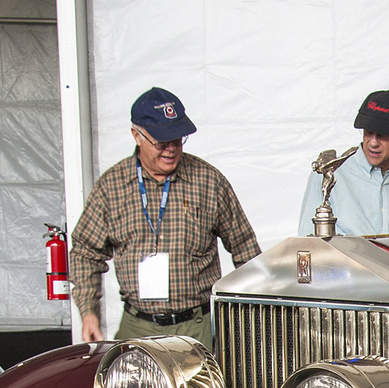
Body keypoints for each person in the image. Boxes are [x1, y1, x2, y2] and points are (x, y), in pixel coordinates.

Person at [71, 87, 261, 346]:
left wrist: (254, 318)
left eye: (178, 139)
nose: (171, 149)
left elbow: (245, 249)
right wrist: (88, 312)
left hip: (197, 326)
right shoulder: (111, 186)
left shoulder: (208, 181)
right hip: (136, 326)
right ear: (136, 136)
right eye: (161, 141)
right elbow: (85, 253)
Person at [297, 90, 389, 236]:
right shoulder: (327, 174)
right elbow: (307, 243)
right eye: (368, 131)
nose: (373, 142)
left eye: (383, 134)